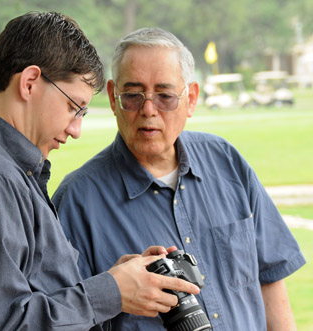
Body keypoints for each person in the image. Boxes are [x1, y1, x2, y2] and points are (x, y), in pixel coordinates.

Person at [0, 14, 201, 331]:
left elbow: (32, 298)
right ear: (29, 82)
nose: (76, 130)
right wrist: (109, 292)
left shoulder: (8, 169)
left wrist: (117, 284)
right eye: (75, 107)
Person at [52, 27, 306, 331]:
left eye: (165, 96)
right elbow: (61, 316)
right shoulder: (77, 200)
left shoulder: (226, 161)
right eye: (132, 96)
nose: (148, 110)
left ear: (192, 99)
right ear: (112, 97)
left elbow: (270, 280)